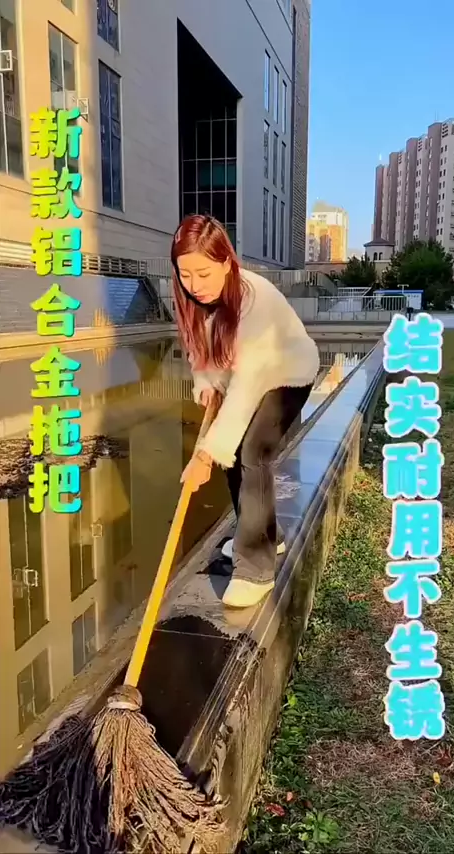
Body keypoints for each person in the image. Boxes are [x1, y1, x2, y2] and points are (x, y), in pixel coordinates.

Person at [171, 215, 320, 608]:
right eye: (185, 275)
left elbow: (248, 385)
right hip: (248, 375)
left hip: (288, 374)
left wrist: (204, 455)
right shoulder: (193, 300)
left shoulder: (256, 298)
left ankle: (255, 569)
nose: (194, 285)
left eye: (204, 273)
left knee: (253, 451)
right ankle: (266, 536)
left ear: (226, 262)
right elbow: (199, 353)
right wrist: (206, 382)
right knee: (233, 455)